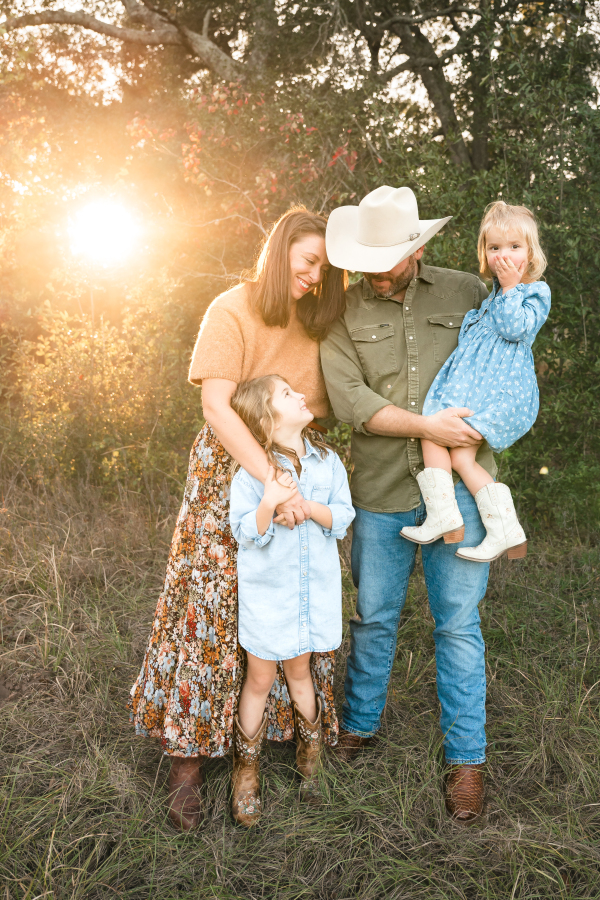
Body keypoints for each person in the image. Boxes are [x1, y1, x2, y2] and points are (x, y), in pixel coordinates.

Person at [129, 207, 347, 831]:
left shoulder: (318, 323)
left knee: (286, 602)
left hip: (296, 467)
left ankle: (284, 737)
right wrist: (269, 479)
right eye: (308, 263)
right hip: (233, 467)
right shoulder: (232, 307)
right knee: (212, 605)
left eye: (325, 270)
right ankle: (189, 759)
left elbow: (322, 405)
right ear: (280, 254)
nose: (314, 277)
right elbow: (217, 407)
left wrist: (300, 475)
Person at [321, 185, 497, 823]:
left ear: (417, 247)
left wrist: (481, 429)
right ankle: (360, 728)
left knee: (457, 624)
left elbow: (502, 366)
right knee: (373, 616)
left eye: (391, 253)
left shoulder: (466, 293)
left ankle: (467, 761)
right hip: (382, 492)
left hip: (459, 486)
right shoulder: (339, 310)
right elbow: (353, 404)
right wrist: (430, 429)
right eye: (369, 255)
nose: (378, 266)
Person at [227, 375, 354, 826]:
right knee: (259, 680)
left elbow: (342, 514)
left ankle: (310, 762)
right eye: (287, 394)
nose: (301, 395)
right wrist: (271, 503)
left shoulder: (327, 462)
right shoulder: (252, 471)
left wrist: (303, 506)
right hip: (270, 599)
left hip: (308, 596)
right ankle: (246, 773)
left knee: (301, 674)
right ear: (267, 418)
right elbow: (244, 530)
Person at [401, 201, 550, 561]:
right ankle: (497, 528)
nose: (504, 256)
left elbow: (515, 329)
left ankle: (449, 517)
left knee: (433, 432)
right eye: (495, 247)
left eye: (515, 247)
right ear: (484, 252)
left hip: (498, 395)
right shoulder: (494, 296)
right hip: (476, 392)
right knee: (460, 458)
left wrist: (512, 287)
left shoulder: (533, 292)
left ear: (530, 253)